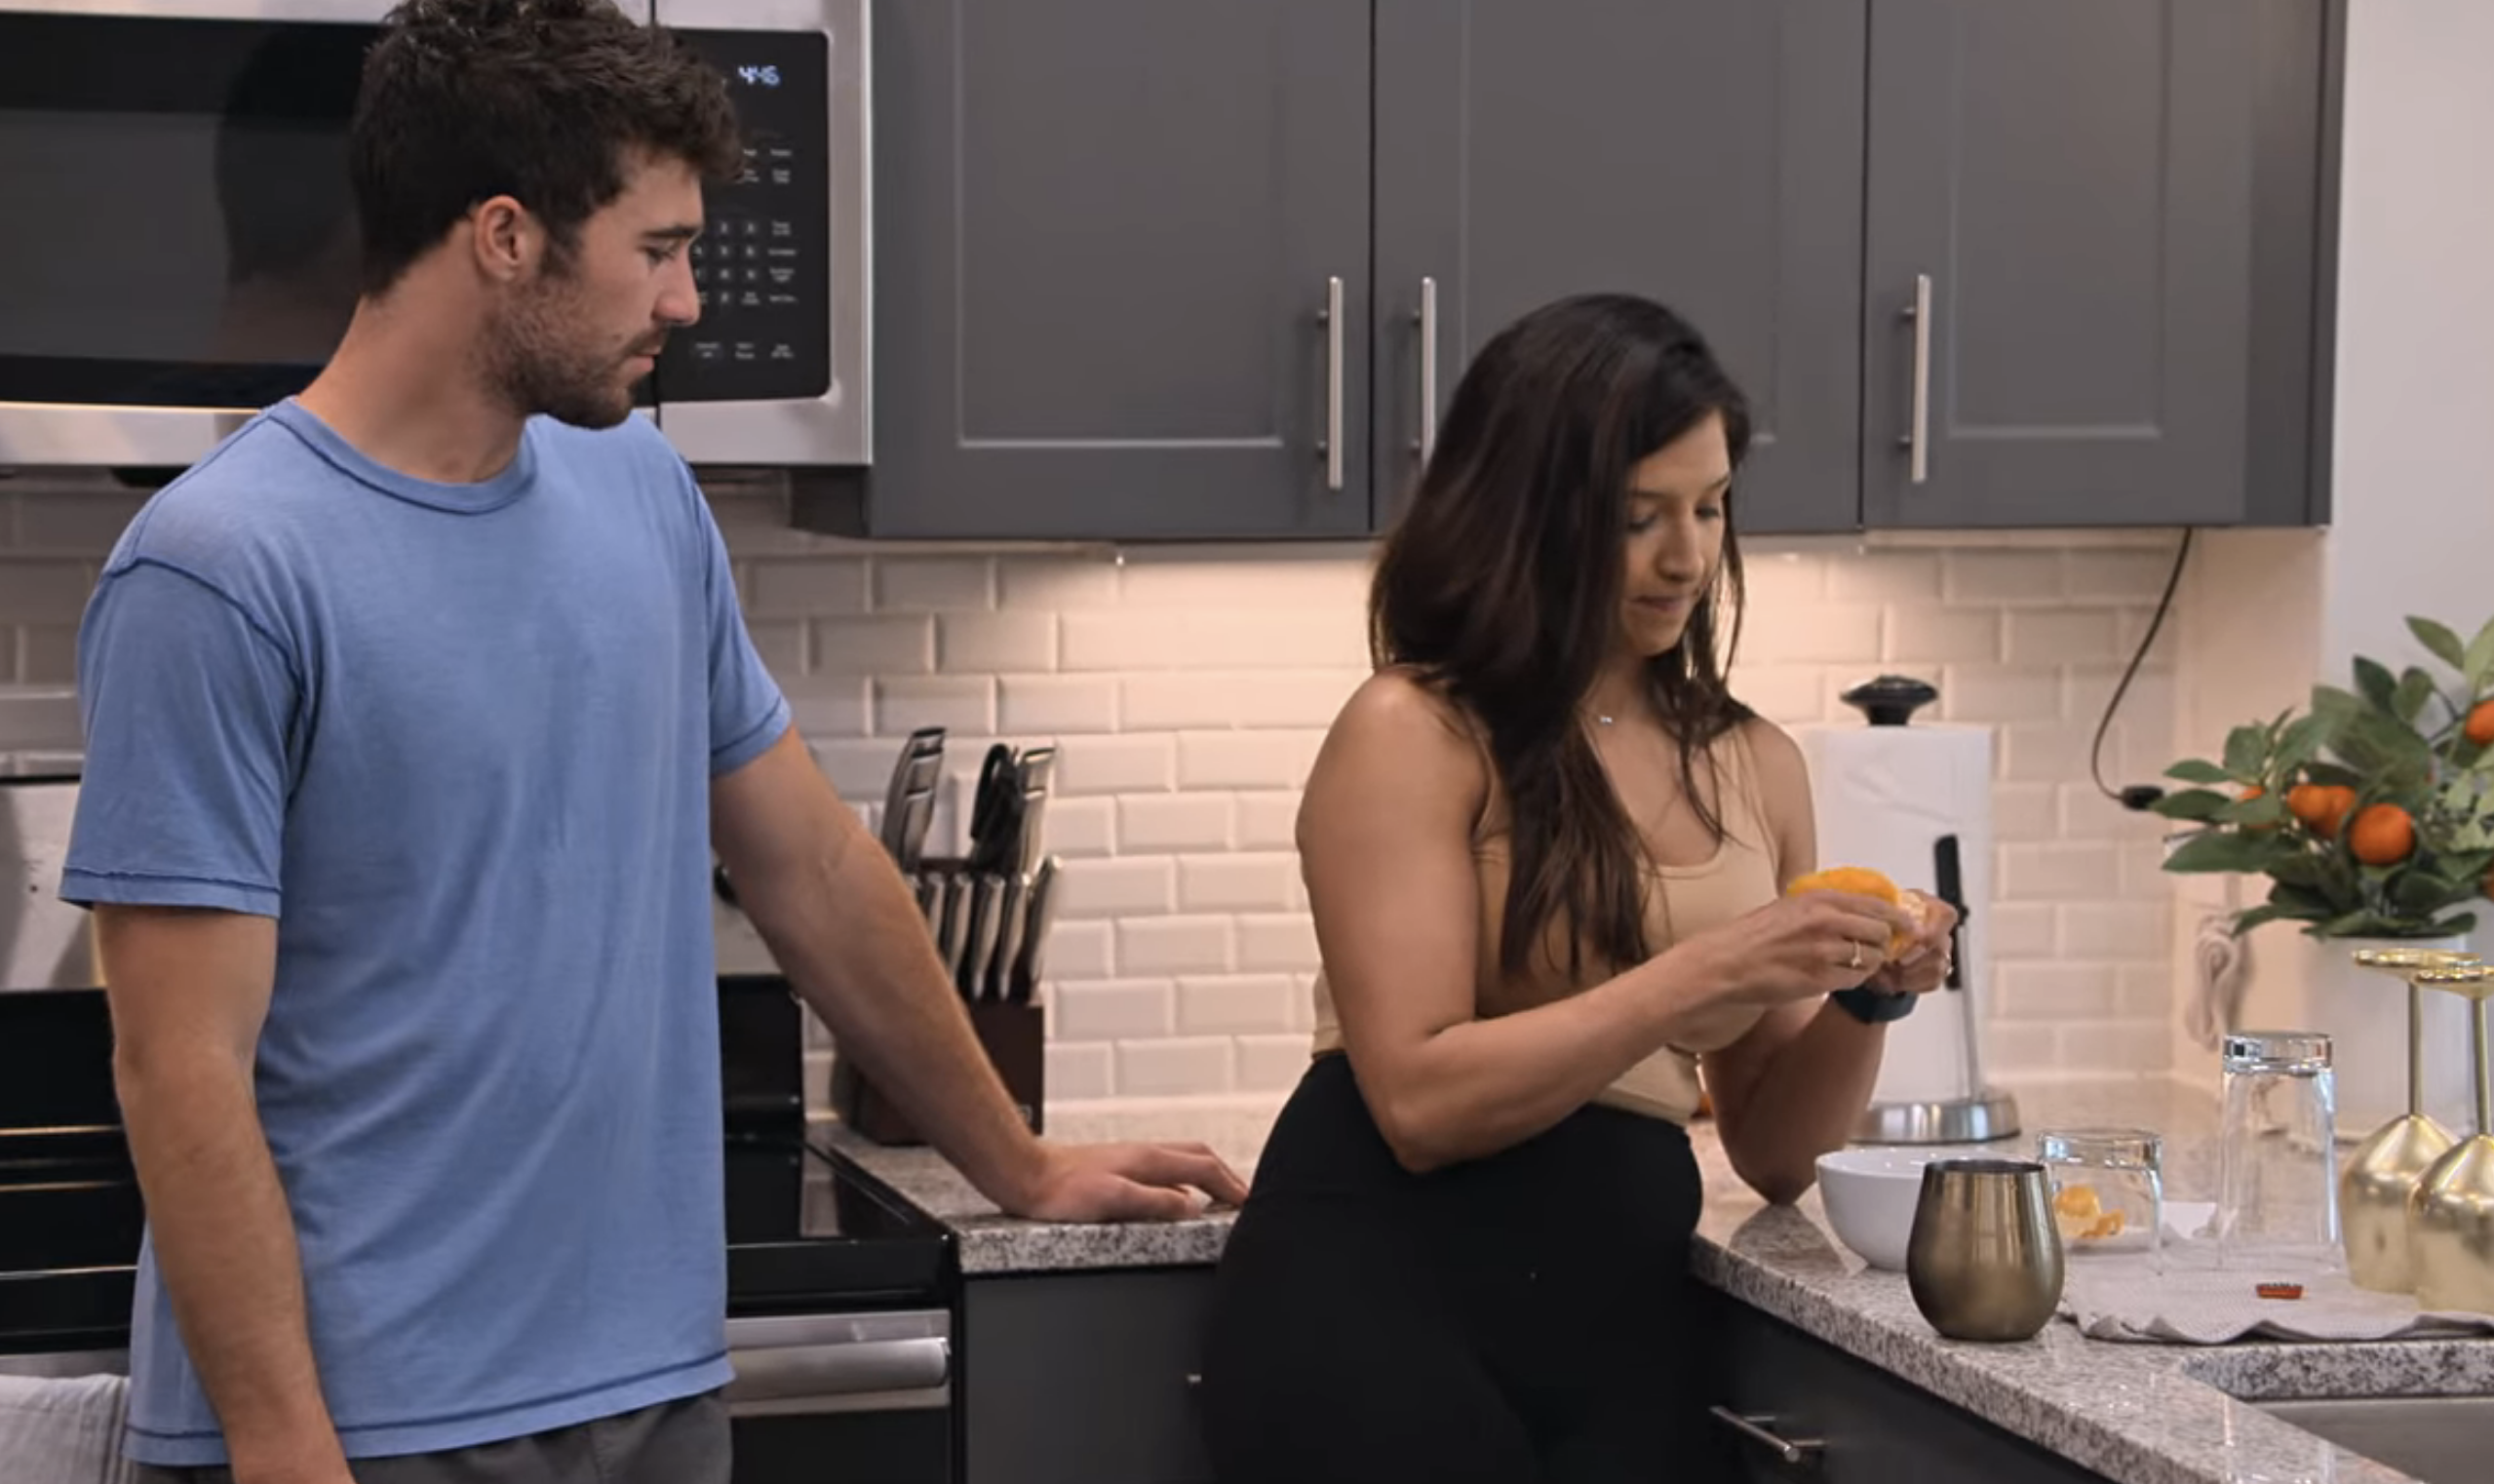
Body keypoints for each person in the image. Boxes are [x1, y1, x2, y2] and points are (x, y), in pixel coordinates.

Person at [60, 3, 1245, 1481]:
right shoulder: (220, 568)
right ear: (505, 236)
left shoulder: (638, 496)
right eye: (660, 248)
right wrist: (284, 1443)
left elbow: (808, 863)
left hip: (648, 1388)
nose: (687, 301)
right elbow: (180, 1066)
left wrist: (1015, 1160)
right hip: (372, 1424)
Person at [1195, 293, 1956, 1484]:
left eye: (1708, 508)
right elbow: (1418, 1102)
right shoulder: (1414, 729)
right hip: (1372, 1310)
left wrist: (1866, 995)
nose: (1687, 555)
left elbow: (1768, 1147)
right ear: (1529, 517)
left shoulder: (1754, 763)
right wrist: (1710, 966)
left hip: (1621, 1327)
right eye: (1636, 517)